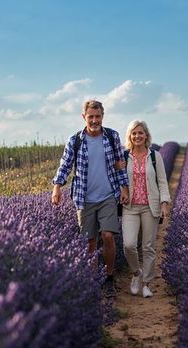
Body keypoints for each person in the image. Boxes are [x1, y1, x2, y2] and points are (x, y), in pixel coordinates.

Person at [51, 99, 129, 297]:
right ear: (84, 117)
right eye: (91, 117)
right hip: (84, 198)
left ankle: (109, 278)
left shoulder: (112, 136)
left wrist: (124, 188)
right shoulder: (75, 140)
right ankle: (94, 279)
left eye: (98, 116)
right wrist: (57, 187)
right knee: (90, 242)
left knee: (108, 236)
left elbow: (120, 164)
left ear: (103, 116)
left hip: (108, 195)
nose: (94, 120)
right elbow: (65, 165)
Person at [121, 120, 171, 298]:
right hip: (130, 207)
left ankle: (147, 284)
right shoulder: (124, 156)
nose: (137, 136)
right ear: (129, 136)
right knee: (128, 245)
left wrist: (165, 203)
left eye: (140, 133)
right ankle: (136, 273)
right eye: (134, 133)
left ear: (146, 135)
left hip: (151, 207)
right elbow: (118, 180)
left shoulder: (154, 157)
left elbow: (163, 182)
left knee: (149, 247)